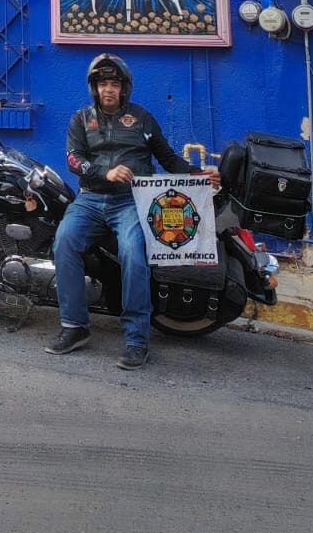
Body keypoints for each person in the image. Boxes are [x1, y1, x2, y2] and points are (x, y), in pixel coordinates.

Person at [47, 51, 220, 369]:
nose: (108, 89)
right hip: (89, 199)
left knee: (133, 253)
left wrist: (199, 175)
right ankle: (74, 326)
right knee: (63, 243)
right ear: (94, 88)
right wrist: (104, 172)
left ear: (124, 87)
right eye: (102, 83)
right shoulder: (81, 119)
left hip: (131, 202)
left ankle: (136, 340)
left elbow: (169, 159)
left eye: (114, 83)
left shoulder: (142, 118)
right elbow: (74, 160)